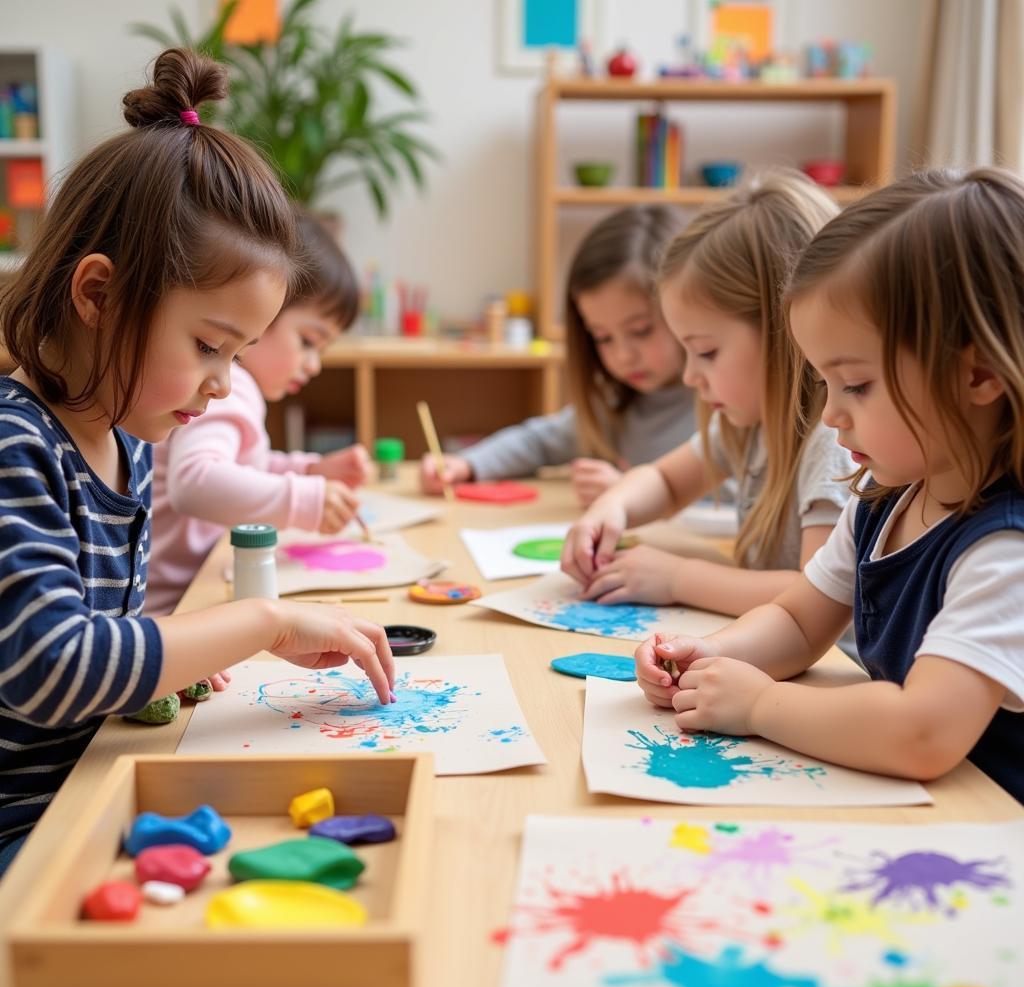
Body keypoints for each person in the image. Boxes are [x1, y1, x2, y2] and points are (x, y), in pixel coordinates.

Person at [0, 49, 393, 877]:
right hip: (25, 836)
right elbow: (50, 667)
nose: (224, 385)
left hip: (88, 790)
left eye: (241, 354)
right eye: (211, 347)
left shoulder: (127, 442)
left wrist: (166, 668)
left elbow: (109, 639)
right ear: (98, 296)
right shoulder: (18, 445)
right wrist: (262, 623)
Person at [636, 168, 1024, 802]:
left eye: (857, 385)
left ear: (976, 374)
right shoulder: (883, 497)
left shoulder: (1005, 552)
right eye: (824, 383)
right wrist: (706, 656)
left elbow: (921, 734)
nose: (830, 415)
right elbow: (797, 621)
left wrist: (761, 705)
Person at [562, 171, 853, 617]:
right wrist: (610, 507)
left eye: (706, 352)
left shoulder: (832, 442)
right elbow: (666, 481)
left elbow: (817, 597)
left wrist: (677, 578)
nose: (690, 377)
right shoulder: (747, 425)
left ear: (785, 334)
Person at [148, 209, 370, 616]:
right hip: (176, 608)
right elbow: (196, 481)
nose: (314, 364)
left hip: (199, 591)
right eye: (307, 341)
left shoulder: (232, 386)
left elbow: (244, 465)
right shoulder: (228, 388)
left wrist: (309, 471)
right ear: (261, 316)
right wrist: (304, 500)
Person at [420, 206, 696, 507]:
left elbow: (740, 511)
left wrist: (634, 495)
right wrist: (467, 464)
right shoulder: (614, 405)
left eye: (641, 331)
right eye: (602, 337)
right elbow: (538, 441)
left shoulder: (726, 406)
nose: (622, 356)